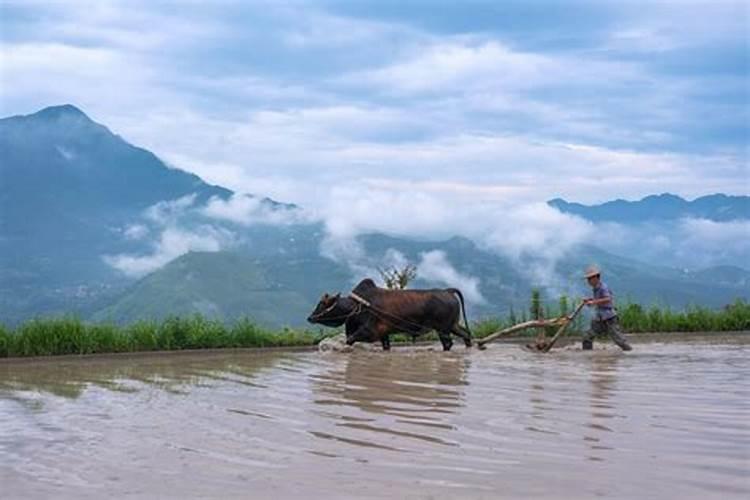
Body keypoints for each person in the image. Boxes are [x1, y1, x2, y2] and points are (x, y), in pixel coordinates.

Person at [581, 265, 632, 351]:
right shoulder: (596, 288)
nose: (588, 281)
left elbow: (608, 299)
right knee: (587, 337)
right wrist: (590, 300)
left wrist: (593, 302)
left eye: (590, 279)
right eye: (588, 279)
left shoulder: (603, 287)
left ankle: (630, 352)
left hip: (609, 318)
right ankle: (588, 356)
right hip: (600, 317)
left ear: (596, 278)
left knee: (619, 340)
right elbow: (600, 299)